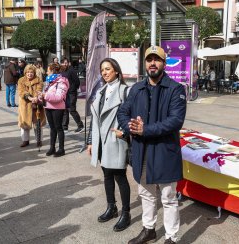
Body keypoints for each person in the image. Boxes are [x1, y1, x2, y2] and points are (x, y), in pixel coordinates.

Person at [117, 46, 187, 244]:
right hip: (142, 150)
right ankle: (149, 230)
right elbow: (122, 112)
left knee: (168, 197)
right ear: (145, 63)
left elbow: (175, 121)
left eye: (157, 60)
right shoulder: (136, 88)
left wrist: (145, 129)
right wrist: (130, 127)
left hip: (164, 150)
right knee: (145, 193)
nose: (152, 63)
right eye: (149, 60)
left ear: (164, 64)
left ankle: (172, 237)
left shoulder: (175, 89)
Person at [86, 58, 131, 232]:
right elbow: (94, 119)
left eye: (108, 69)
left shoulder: (125, 91)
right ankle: (111, 207)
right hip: (101, 141)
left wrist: (125, 132)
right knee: (106, 175)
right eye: (102, 70)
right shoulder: (101, 91)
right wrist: (90, 142)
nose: (104, 73)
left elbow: (133, 116)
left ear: (117, 71)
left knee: (120, 177)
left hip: (115, 140)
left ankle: (125, 213)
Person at [42, 63, 69, 157]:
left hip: (57, 108)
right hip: (48, 107)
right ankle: (52, 147)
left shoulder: (62, 82)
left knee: (58, 128)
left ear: (52, 71)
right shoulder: (49, 81)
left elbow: (59, 97)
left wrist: (45, 96)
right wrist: (39, 97)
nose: (46, 72)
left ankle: (61, 149)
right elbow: (45, 94)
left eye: (48, 70)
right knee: (52, 128)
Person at [17, 64, 46, 147]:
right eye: (28, 72)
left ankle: (39, 140)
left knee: (38, 124)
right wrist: (29, 98)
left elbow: (39, 90)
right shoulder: (21, 80)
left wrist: (36, 98)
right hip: (25, 105)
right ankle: (25, 140)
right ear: (25, 73)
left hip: (36, 105)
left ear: (34, 73)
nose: (30, 74)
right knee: (24, 124)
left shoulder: (39, 80)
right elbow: (21, 91)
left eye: (31, 72)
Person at [61, 58, 84, 133]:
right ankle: (65, 127)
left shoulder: (71, 71)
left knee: (72, 110)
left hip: (71, 93)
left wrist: (73, 89)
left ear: (69, 63)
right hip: (65, 93)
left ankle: (80, 126)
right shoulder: (62, 71)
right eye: (63, 63)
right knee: (65, 110)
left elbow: (77, 81)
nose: (65, 64)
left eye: (66, 63)